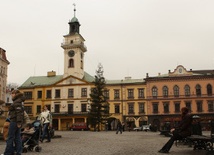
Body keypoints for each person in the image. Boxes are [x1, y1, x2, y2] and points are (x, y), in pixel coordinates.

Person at [4, 89, 25, 155]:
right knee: (17, 138)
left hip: (14, 121)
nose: (11, 95)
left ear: (16, 94)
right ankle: (18, 152)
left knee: (10, 137)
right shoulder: (19, 101)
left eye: (12, 94)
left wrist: (18, 122)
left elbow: (19, 113)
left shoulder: (17, 102)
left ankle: (8, 152)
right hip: (16, 121)